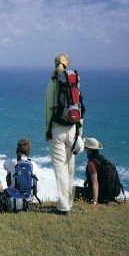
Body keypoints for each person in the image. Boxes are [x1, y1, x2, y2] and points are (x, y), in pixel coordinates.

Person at [44, 53, 84, 215]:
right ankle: (69, 202)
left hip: (57, 130)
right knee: (70, 167)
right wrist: (79, 133)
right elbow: (79, 108)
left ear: (55, 65)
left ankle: (63, 207)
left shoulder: (53, 83)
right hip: (73, 129)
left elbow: (48, 108)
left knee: (60, 167)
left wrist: (48, 129)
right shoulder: (75, 82)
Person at [3, 139, 40, 204]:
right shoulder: (34, 164)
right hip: (29, 198)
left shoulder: (13, 162)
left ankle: (14, 195)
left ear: (17, 150)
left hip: (16, 197)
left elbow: (4, 166)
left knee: (9, 173)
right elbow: (37, 184)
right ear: (28, 151)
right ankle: (30, 199)